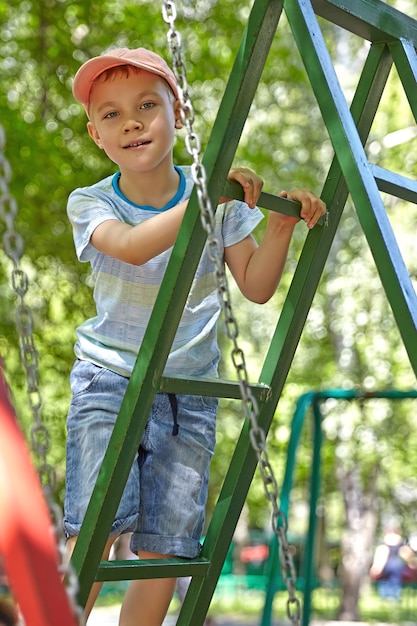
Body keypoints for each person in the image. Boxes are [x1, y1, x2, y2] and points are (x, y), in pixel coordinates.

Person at [63, 46, 326, 626]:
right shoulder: (91, 203)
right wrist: (212, 196)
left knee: (169, 544)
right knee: (97, 522)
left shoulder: (222, 202)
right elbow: (132, 248)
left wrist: (279, 227)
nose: (130, 121)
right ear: (96, 135)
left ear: (177, 115)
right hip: (110, 376)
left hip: (191, 387)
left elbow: (256, 286)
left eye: (146, 106)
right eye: (111, 114)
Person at [370, 524, 417, 600]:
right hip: (396, 566)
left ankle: (386, 597)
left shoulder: (385, 543)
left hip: (387, 565)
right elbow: (406, 554)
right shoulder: (400, 543)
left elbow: (381, 554)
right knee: (394, 580)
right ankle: (394, 597)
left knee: (386, 581)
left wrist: (376, 568)